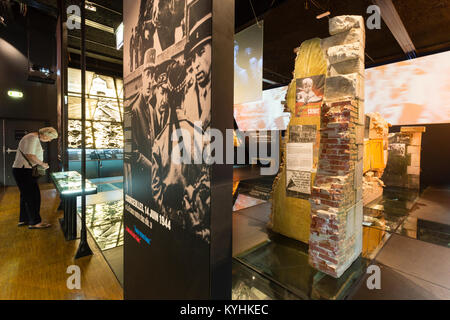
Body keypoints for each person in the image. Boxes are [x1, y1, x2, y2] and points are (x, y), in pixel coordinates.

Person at [128, 48, 159, 200]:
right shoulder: (132, 109)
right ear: (142, 77)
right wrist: (152, 167)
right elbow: (131, 152)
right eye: (148, 74)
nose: (150, 81)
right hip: (141, 178)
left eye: (154, 76)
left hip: (152, 180)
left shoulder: (152, 110)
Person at [12, 127, 58, 229]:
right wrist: (43, 164)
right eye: (50, 138)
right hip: (24, 170)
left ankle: (24, 219)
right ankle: (35, 222)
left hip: (22, 170)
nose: (49, 140)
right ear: (46, 134)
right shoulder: (32, 138)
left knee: (26, 196)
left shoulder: (33, 137)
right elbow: (30, 155)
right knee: (33, 197)